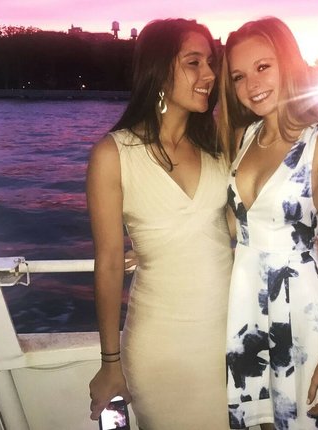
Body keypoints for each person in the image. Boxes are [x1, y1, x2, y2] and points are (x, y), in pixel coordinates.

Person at [218, 17, 318, 429]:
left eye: (263, 67)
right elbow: (231, 226)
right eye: (239, 76)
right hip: (248, 304)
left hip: (306, 311)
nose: (252, 84)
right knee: (266, 421)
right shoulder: (243, 138)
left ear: (288, 65)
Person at [87, 18, 233, 430]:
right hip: (160, 346)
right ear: (159, 69)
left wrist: (303, 238)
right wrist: (110, 363)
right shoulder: (113, 155)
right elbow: (109, 263)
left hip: (231, 338)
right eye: (194, 62)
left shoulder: (219, 147)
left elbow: (238, 227)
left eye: (211, 62)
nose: (210, 74)